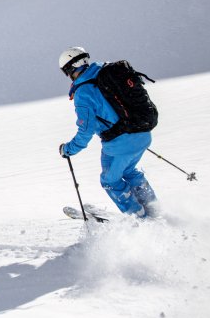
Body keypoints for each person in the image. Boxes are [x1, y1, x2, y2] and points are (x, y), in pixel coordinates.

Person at [58, 47, 158, 218]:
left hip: (121, 142)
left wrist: (68, 149)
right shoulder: (105, 72)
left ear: (70, 69)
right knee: (129, 171)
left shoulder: (83, 92)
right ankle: (154, 209)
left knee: (110, 181)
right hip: (142, 133)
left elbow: (85, 131)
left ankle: (141, 219)